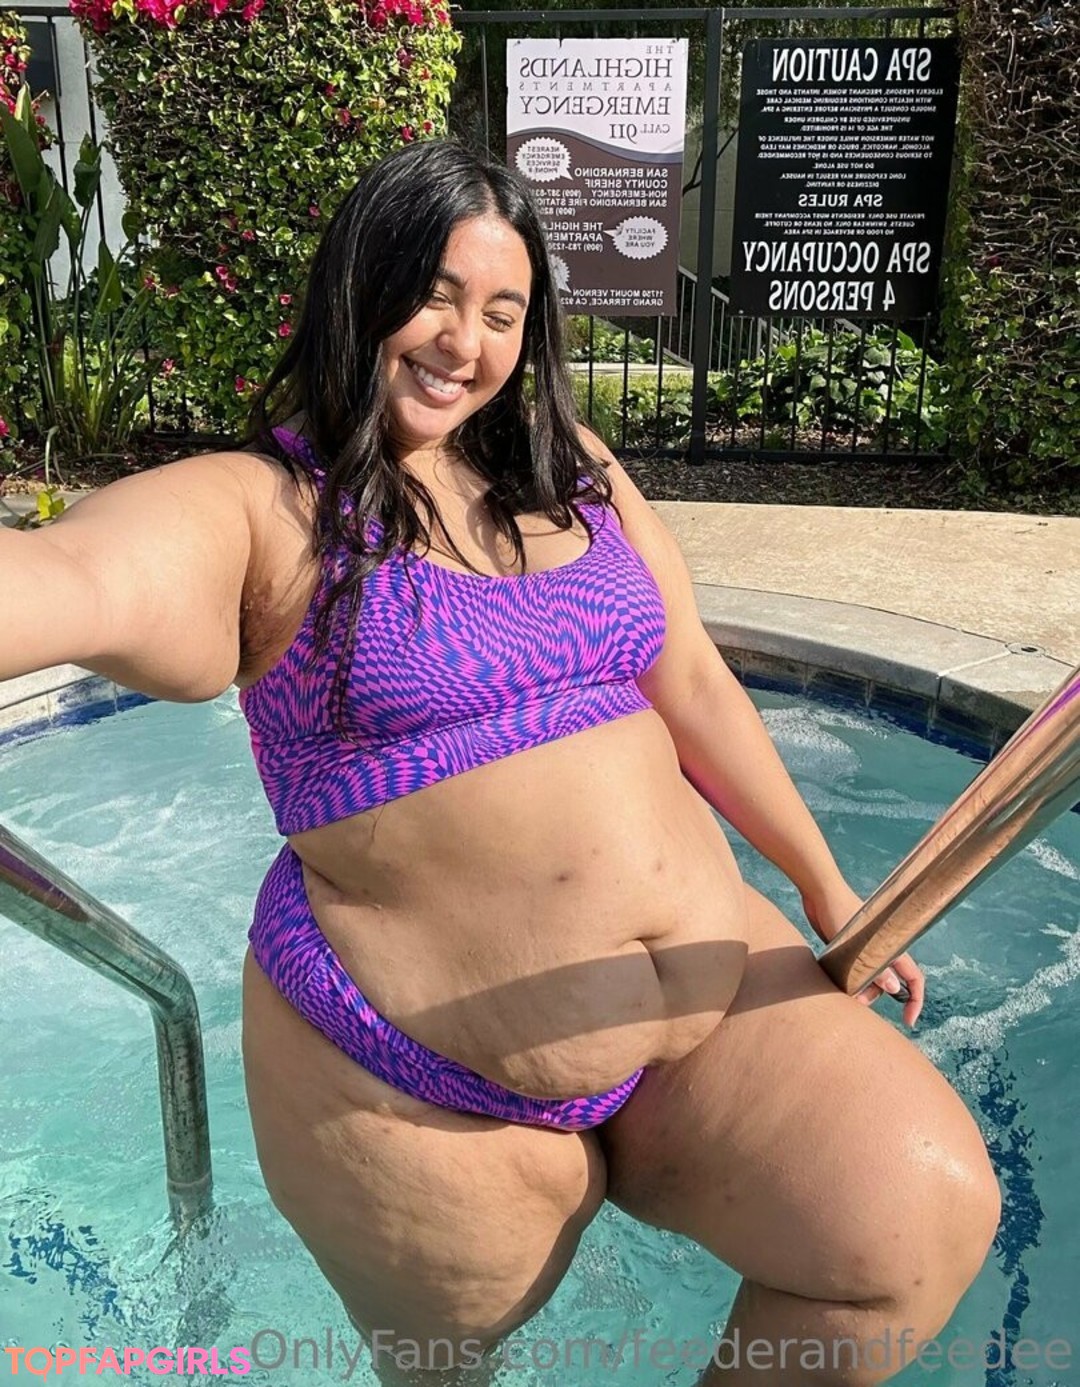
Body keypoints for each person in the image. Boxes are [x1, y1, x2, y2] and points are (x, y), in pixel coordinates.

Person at [3, 139, 999, 1385]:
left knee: (909, 1231)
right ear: (358, 288)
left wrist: (823, 882)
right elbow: (72, 576)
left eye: (501, 312)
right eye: (432, 294)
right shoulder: (269, 514)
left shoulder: (567, 466)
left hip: (700, 1008)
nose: (461, 342)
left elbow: (691, 677)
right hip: (414, 1085)